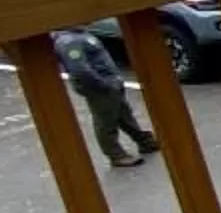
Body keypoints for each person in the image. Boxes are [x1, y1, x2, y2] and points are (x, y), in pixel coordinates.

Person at [51, 28, 157, 170]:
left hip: (111, 84)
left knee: (123, 114)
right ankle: (116, 155)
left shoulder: (81, 34)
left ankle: (145, 142)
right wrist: (103, 84)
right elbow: (80, 70)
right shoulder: (69, 41)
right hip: (100, 88)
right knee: (105, 121)